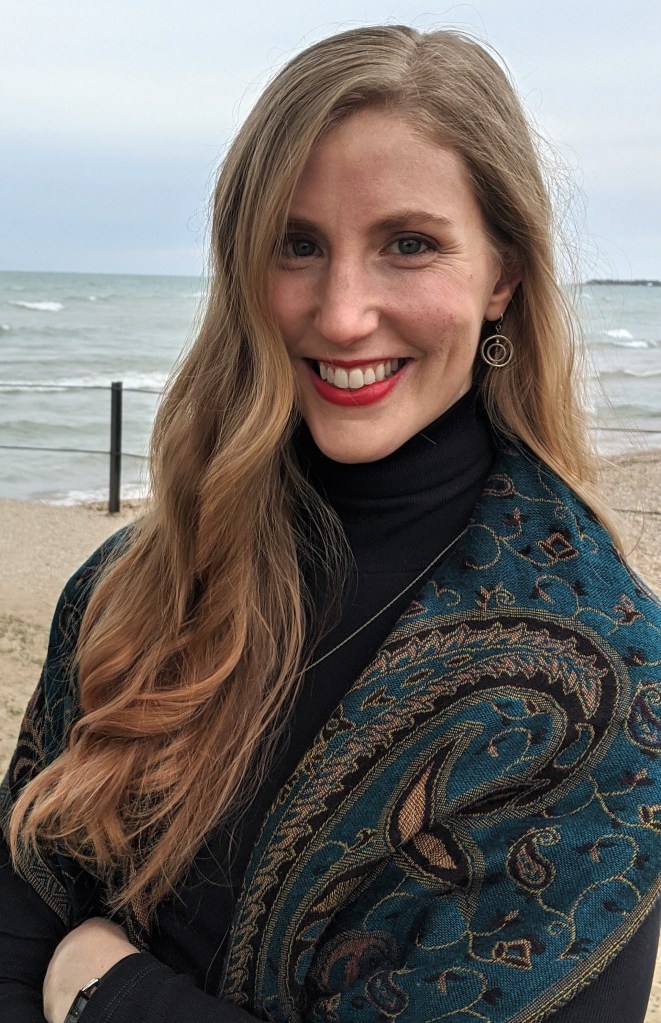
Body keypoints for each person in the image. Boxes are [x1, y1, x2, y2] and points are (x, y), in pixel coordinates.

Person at [1, 24, 660, 1023]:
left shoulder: (607, 683)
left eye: (409, 245)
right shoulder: (134, 584)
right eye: (297, 245)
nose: (343, 313)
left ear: (502, 277)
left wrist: (104, 988)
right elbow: (20, 902)